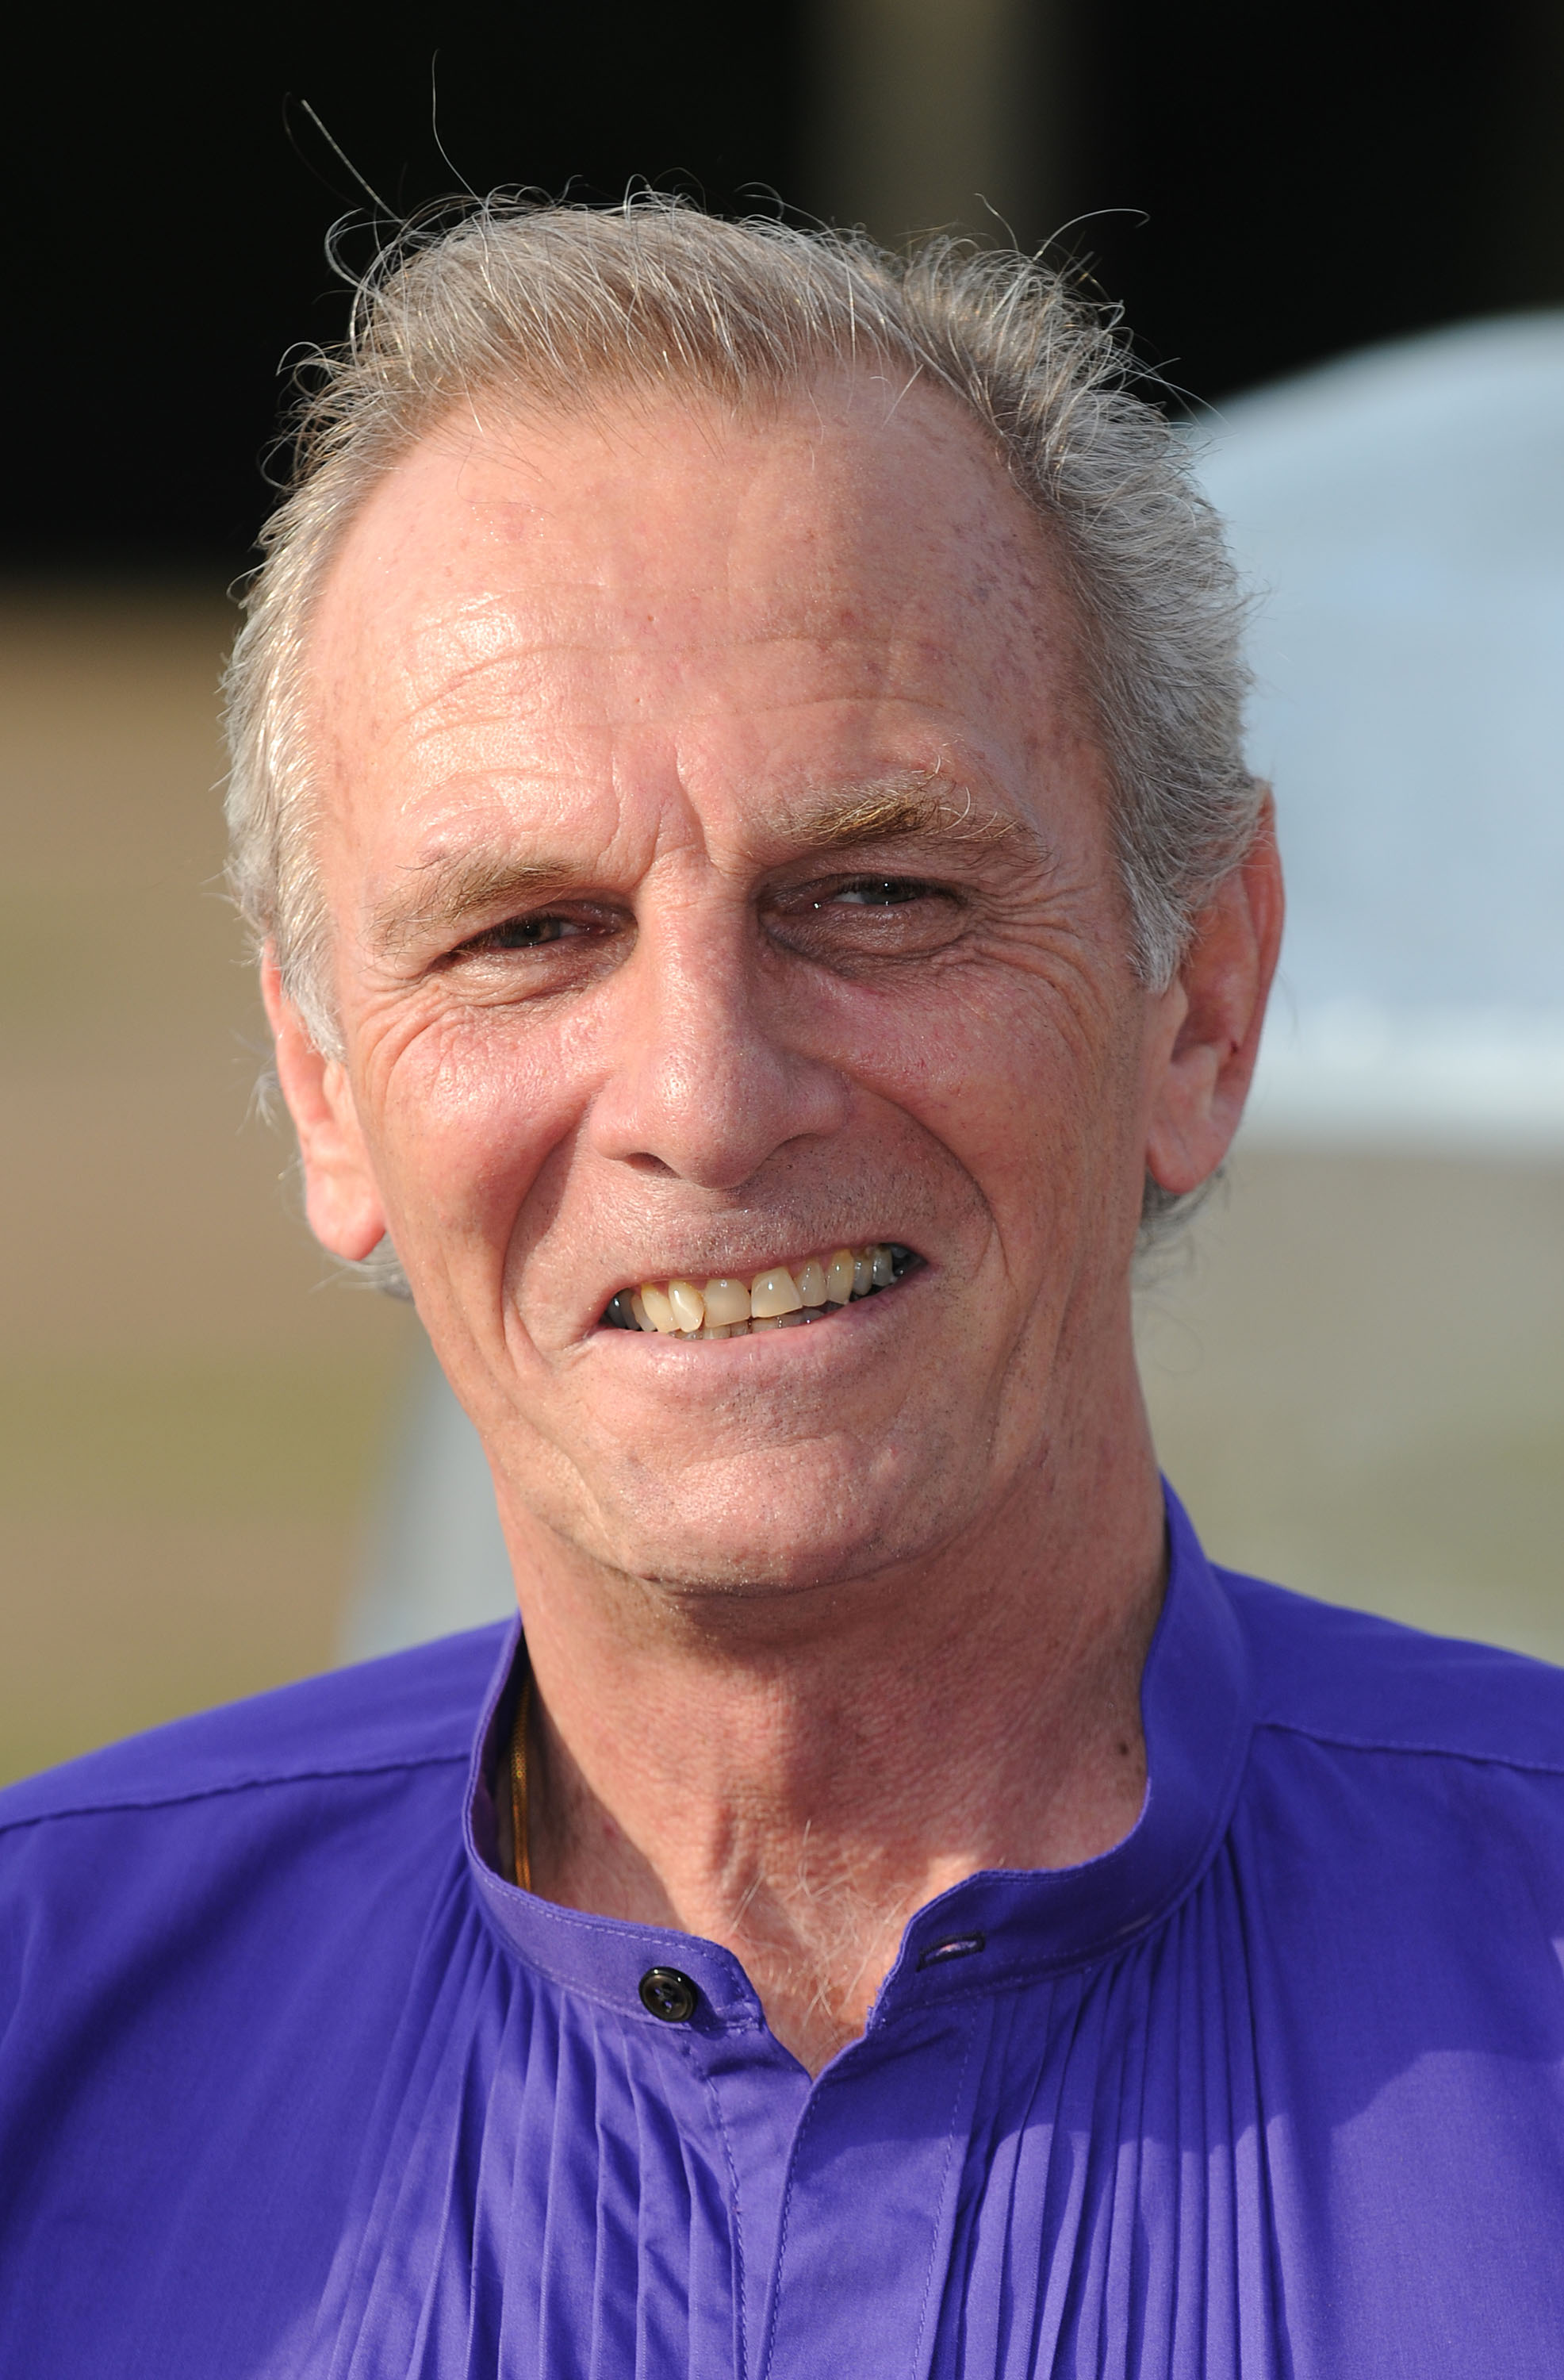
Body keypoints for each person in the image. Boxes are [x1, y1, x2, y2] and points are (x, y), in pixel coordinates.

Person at [2, 199, 1561, 2379]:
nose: (705, 1100)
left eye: (881, 892)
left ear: (1198, 995)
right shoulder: (40, 2026)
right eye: (525, 930)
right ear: (328, 1093)